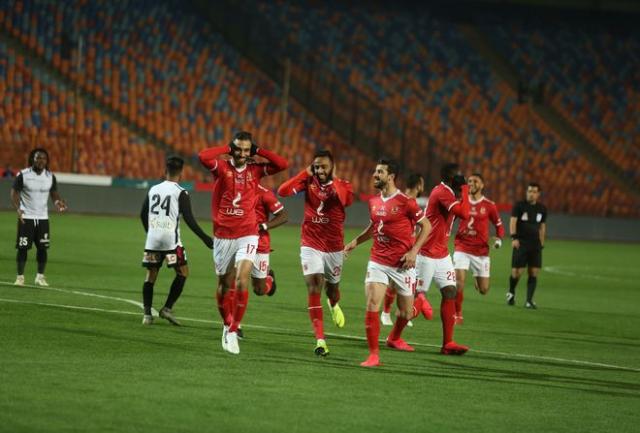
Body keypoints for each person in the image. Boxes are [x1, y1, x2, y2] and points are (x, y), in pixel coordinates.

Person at [199, 131, 288, 354]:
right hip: (223, 235)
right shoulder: (221, 169)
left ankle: (233, 329)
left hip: (248, 233)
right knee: (224, 284)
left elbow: (282, 164)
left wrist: (258, 151)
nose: (241, 154)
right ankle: (226, 322)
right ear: (232, 149)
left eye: (246, 150)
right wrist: (227, 149)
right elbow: (203, 156)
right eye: (238, 149)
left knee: (241, 280)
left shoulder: (255, 171)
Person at [344, 158, 430, 367]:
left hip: (402, 264)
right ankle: (374, 355)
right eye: (375, 171)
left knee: (406, 313)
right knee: (373, 303)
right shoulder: (374, 202)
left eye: (380, 172)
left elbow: (426, 227)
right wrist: (355, 242)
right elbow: (375, 227)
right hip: (378, 262)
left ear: (391, 177)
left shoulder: (406, 202)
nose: (375, 175)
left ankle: (394, 338)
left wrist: (413, 251)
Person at [278, 149, 353, 356]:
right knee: (314, 286)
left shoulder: (344, 185)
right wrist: (305, 172)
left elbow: (345, 200)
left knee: (332, 290)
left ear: (332, 167)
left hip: (334, 247)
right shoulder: (307, 182)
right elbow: (283, 191)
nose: (319, 170)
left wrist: (334, 179)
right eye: (316, 166)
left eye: (323, 167)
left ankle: (334, 303)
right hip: (310, 243)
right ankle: (320, 340)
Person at [140, 156, 213, 325]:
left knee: (151, 275)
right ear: (181, 174)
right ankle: (167, 309)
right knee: (183, 272)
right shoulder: (181, 192)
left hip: (152, 240)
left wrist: (150, 233)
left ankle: (147, 315)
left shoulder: (153, 190)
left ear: (165, 171)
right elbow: (189, 219)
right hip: (170, 241)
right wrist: (205, 239)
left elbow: (143, 214)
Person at [413, 162, 470, 355]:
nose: (461, 178)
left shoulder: (449, 192)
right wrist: (466, 189)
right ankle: (395, 336)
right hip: (427, 253)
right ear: (450, 177)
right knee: (416, 300)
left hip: (442, 254)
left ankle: (448, 343)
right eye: (459, 176)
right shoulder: (442, 191)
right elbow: (464, 213)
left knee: (450, 292)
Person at [452, 173, 504, 324]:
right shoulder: (462, 201)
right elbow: (451, 218)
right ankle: (458, 314)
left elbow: (499, 225)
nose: (472, 183)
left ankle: (477, 277)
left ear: (482, 185)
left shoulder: (489, 205)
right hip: (462, 247)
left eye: (476, 181)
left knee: (483, 290)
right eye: (469, 181)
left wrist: (499, 239)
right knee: (459, 282)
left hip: (481, 252)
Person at [11, 148, 67, 287]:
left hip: (43, 218)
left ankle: (40, 277)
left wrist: (57, 202)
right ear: (32, 159)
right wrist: (19, 209)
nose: (40, 160)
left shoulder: (50, 176)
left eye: (43, 158)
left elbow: (53, 192)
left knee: (43, 248)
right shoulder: (23, 175)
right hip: (27, 217)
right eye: (37, 158)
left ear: (46, 161)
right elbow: (14, 193)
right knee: (23, 248)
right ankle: (20, 277)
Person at [380, 172, 429, 326]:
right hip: (399, 248)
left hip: (409, 247)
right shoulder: (405, 201)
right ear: (420, 185)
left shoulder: (407, 200)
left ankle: (399, 312)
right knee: (395, 284)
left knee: (406, 283)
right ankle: (387, 313)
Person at [507, 182, 547, 309]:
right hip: (521, 243)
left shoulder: (542, 209)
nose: (531, 194)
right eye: (529, 191)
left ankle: (529, 300)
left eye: (534, 192)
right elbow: (513, 222)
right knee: (516, 272)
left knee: (533, 271)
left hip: (535, 244)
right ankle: (511, 292)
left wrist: (542, 242)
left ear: (538, 194)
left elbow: (542, 226)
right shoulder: (519, 206)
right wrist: (514, 238)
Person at [252, 184, 288, 297]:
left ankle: (269, 277)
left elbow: (283, 216)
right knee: (233, 278)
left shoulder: (264, 194)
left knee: (259, 290)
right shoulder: (236, 188)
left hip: (259, 242)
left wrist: (263, 226)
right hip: (239, 239)